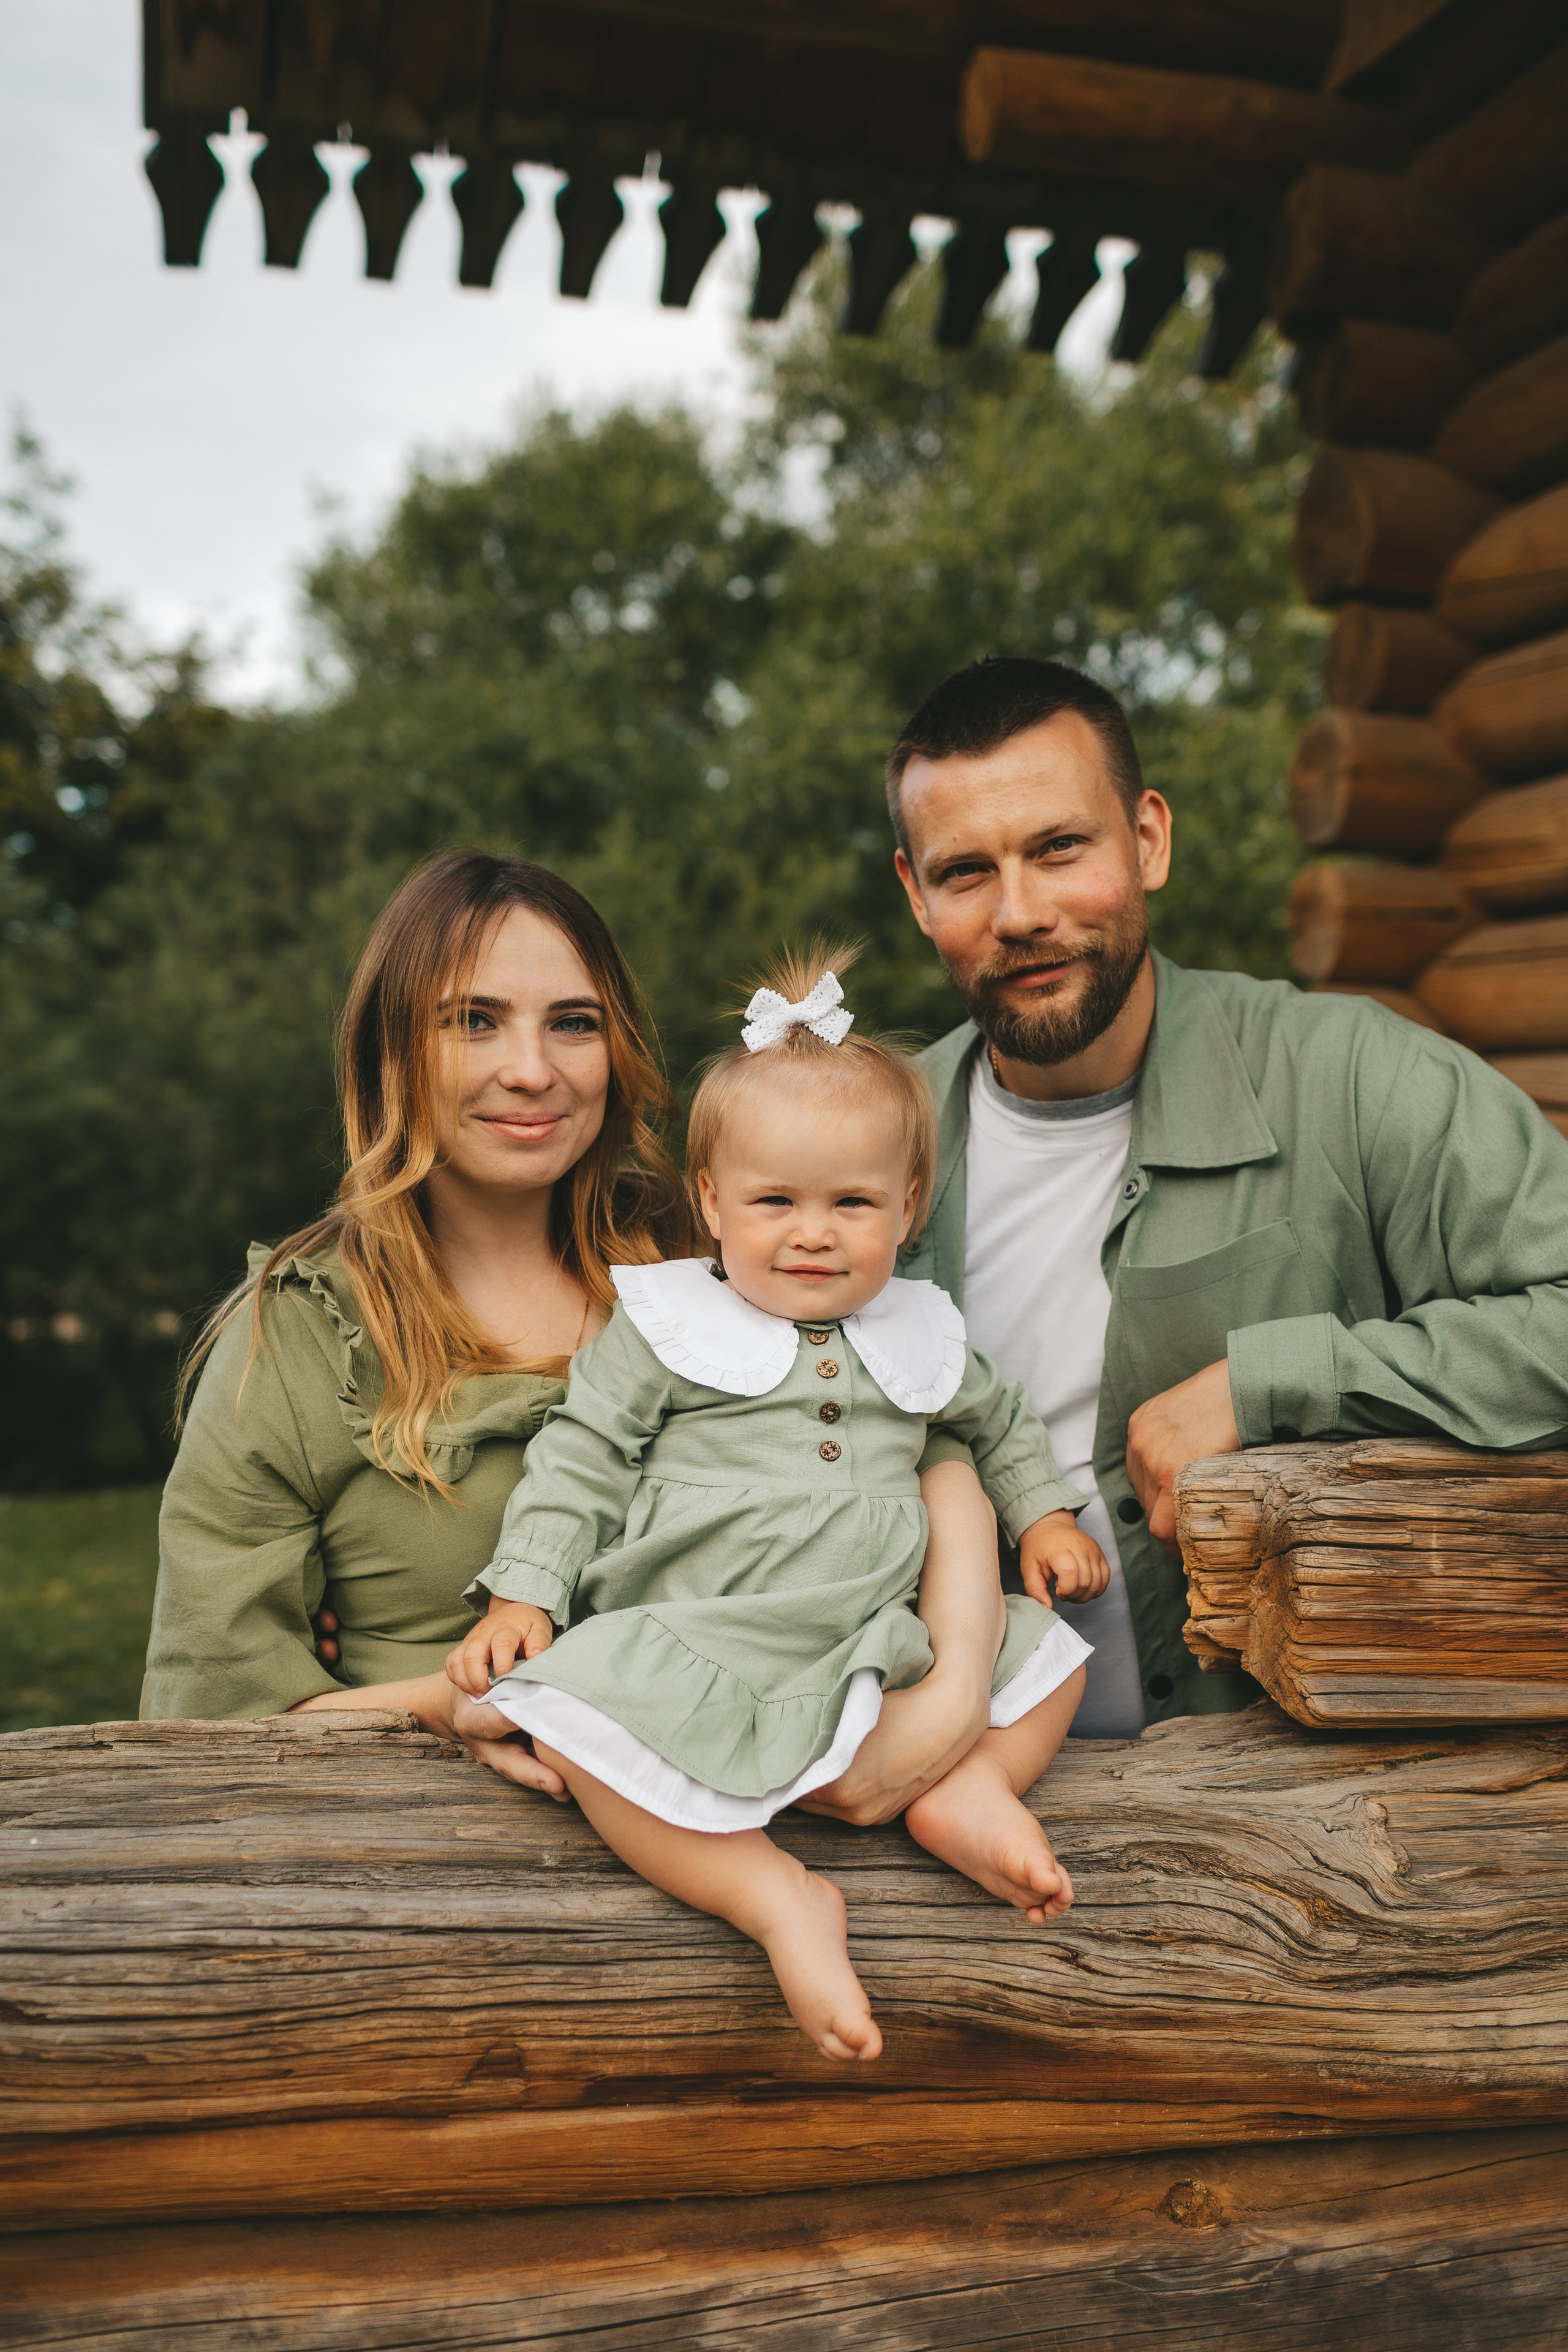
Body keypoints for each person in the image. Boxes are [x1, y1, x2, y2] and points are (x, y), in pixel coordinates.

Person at [142, 854, 1028, 1825]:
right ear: (391, 1052)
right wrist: (449, 1704)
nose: (532, 1071)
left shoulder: (722, 1257)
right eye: (473, 1020)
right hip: (442, 1869)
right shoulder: (300, 1340)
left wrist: (950, 1693)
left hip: (805, 1802)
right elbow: (207, 1727)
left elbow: (916, 1433)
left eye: (574, 1022)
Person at [885, 655, 1568, 1738]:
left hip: (1285, 1829)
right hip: (934, 1827)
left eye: (1060, 848)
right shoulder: (863, 1141)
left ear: (1148, 839)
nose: (1019, 912)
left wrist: (1277, 1384)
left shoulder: (1354, 1077)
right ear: (916, 895)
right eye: (966, 872)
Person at [447, 949, 1102, 2059]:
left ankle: (972, 1792)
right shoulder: (664, 1328)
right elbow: (582, 1457)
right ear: (709, 1202)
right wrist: (527, 1590)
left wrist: (1042, 1519)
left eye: (852, 1203)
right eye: (775, 1202)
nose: (813, 1232)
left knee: (1053, 1662)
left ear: (910, 1203)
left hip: (878, 1629)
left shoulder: (920, 1330)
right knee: (588, 1727)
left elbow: (994, 1425)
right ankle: (773, 1898)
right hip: (708, 1625)